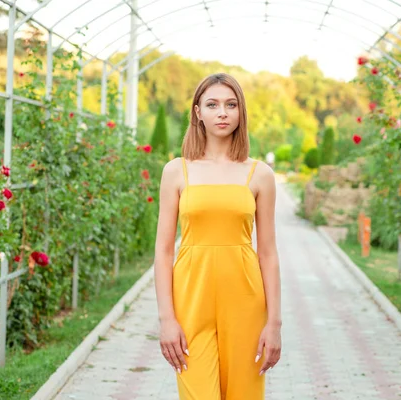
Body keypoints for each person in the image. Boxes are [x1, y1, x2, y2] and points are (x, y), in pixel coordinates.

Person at [153, 72, 282, 399]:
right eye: (212, 104)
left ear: (241, 113)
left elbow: (267, 252)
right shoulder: (176, 170)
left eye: (231, 104)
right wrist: (167, 318)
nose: (222, 112)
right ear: (198, 112)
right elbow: (163, 251)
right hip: (190, 301)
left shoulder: (260, 174)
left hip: (246, 303)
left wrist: (275, 324)